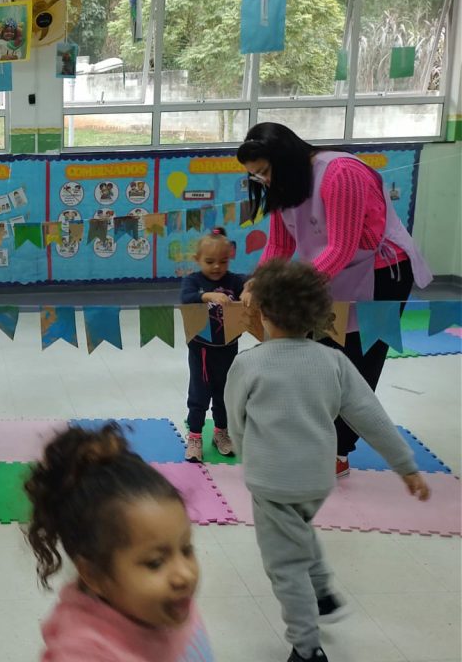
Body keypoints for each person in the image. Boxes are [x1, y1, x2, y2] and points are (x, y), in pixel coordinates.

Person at [225, 259, 431, 662]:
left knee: (285, 566)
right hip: (318, 479)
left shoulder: (248, 363)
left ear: (262, 312)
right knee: (298, 526)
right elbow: (371, 417)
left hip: (272, 482)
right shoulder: (334, 362)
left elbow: (236, 422)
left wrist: (249, 456)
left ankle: (307, 647)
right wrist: (405, 466)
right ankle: (322, 591)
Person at [237, 122, 432, 478]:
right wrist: (256, 283)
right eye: (256, 176)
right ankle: (314, 438)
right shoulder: (284, 183)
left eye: (264, 171)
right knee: (322, 356)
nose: (262, 180)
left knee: (357, 362)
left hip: (381, 273)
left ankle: (338, 451)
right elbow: (280, 244)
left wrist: (290, 289)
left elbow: (342, 246)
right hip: (329, 273)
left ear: (284, 158)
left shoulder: (340, 172)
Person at [25, 422, 214, 662]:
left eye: (186, 550)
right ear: (93, 575)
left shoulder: (168, 604)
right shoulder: (83, 654)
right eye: (155, 563)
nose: (184, 575)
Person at [179, 227, 245, 463]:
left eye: (223, 261)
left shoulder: (234, 281)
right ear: (197, 259)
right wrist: (207, 296)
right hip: (202, 350)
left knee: (225, 394)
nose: (217, 267)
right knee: (199, 393)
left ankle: (221, 433)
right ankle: (195, 436)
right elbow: (186, 298)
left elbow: (250, 286)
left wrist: (250, 291)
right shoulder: (193, 281)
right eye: (209, 261)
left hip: (228, 348)